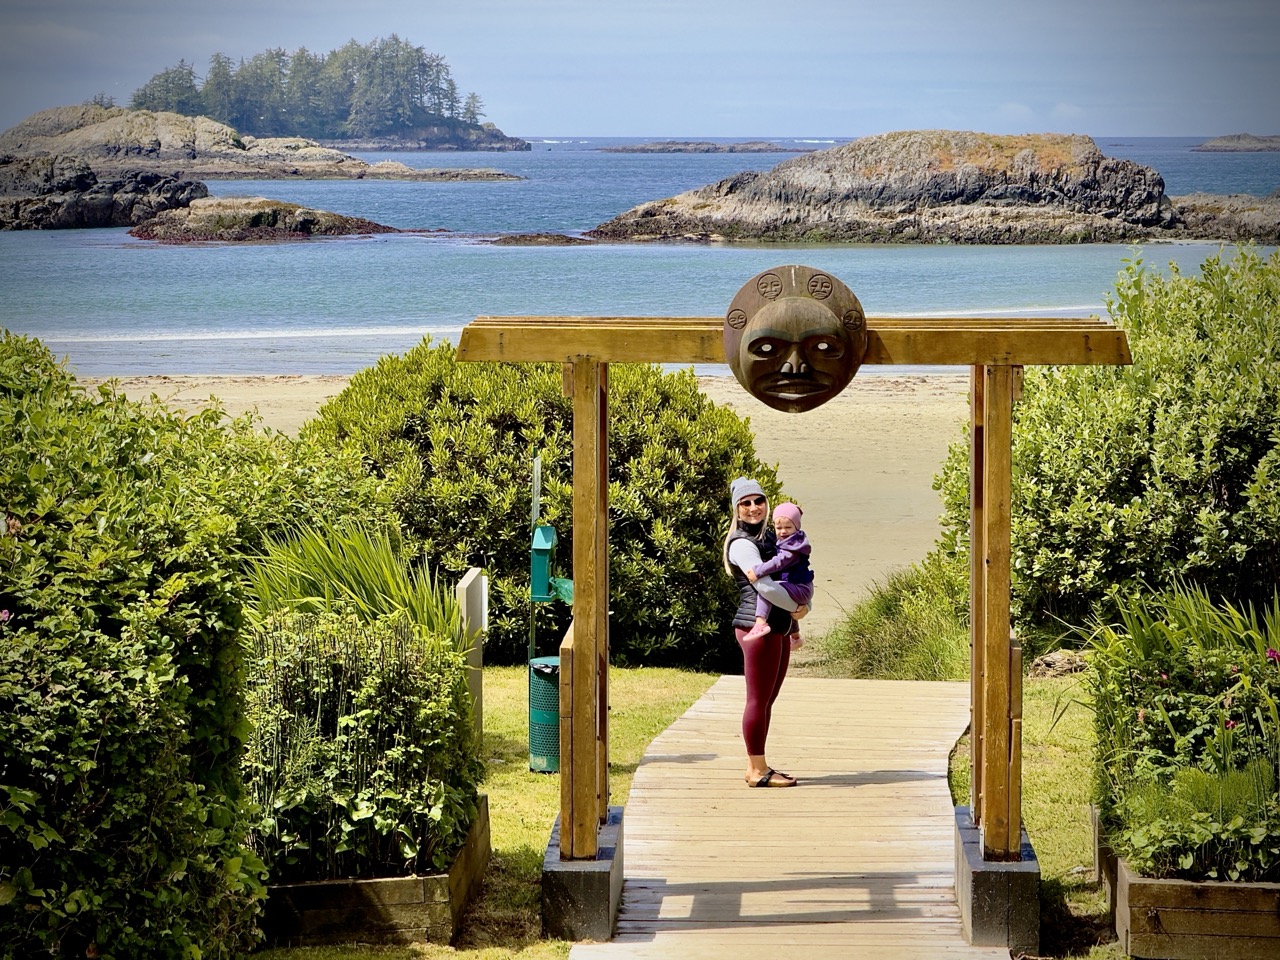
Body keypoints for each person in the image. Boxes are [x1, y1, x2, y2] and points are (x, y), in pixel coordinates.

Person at [723, 477, 808, 788]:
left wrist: (796, 619)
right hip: (754, 628)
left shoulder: (773, 536)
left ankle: (757, 765)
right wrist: (799, 607)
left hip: (777, 628)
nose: (753, 507)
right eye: (745, 503)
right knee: (757, 700)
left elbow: (789, 575)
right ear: (736, 509)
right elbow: (765, 587)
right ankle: (757, 770)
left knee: (766, 699)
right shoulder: (743, 544)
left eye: (758, 501)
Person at [743, 501, 814, 650]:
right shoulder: (790, 540)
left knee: (768, 589)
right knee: (787, 606)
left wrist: (758, 570)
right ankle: (795, 637)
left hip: (801, 588)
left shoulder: (793, 547)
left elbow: (779, 562)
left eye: (788, 527)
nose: (782, 531)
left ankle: (760, 622)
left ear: (797, 527)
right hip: (802, 586)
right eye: (778, 527)